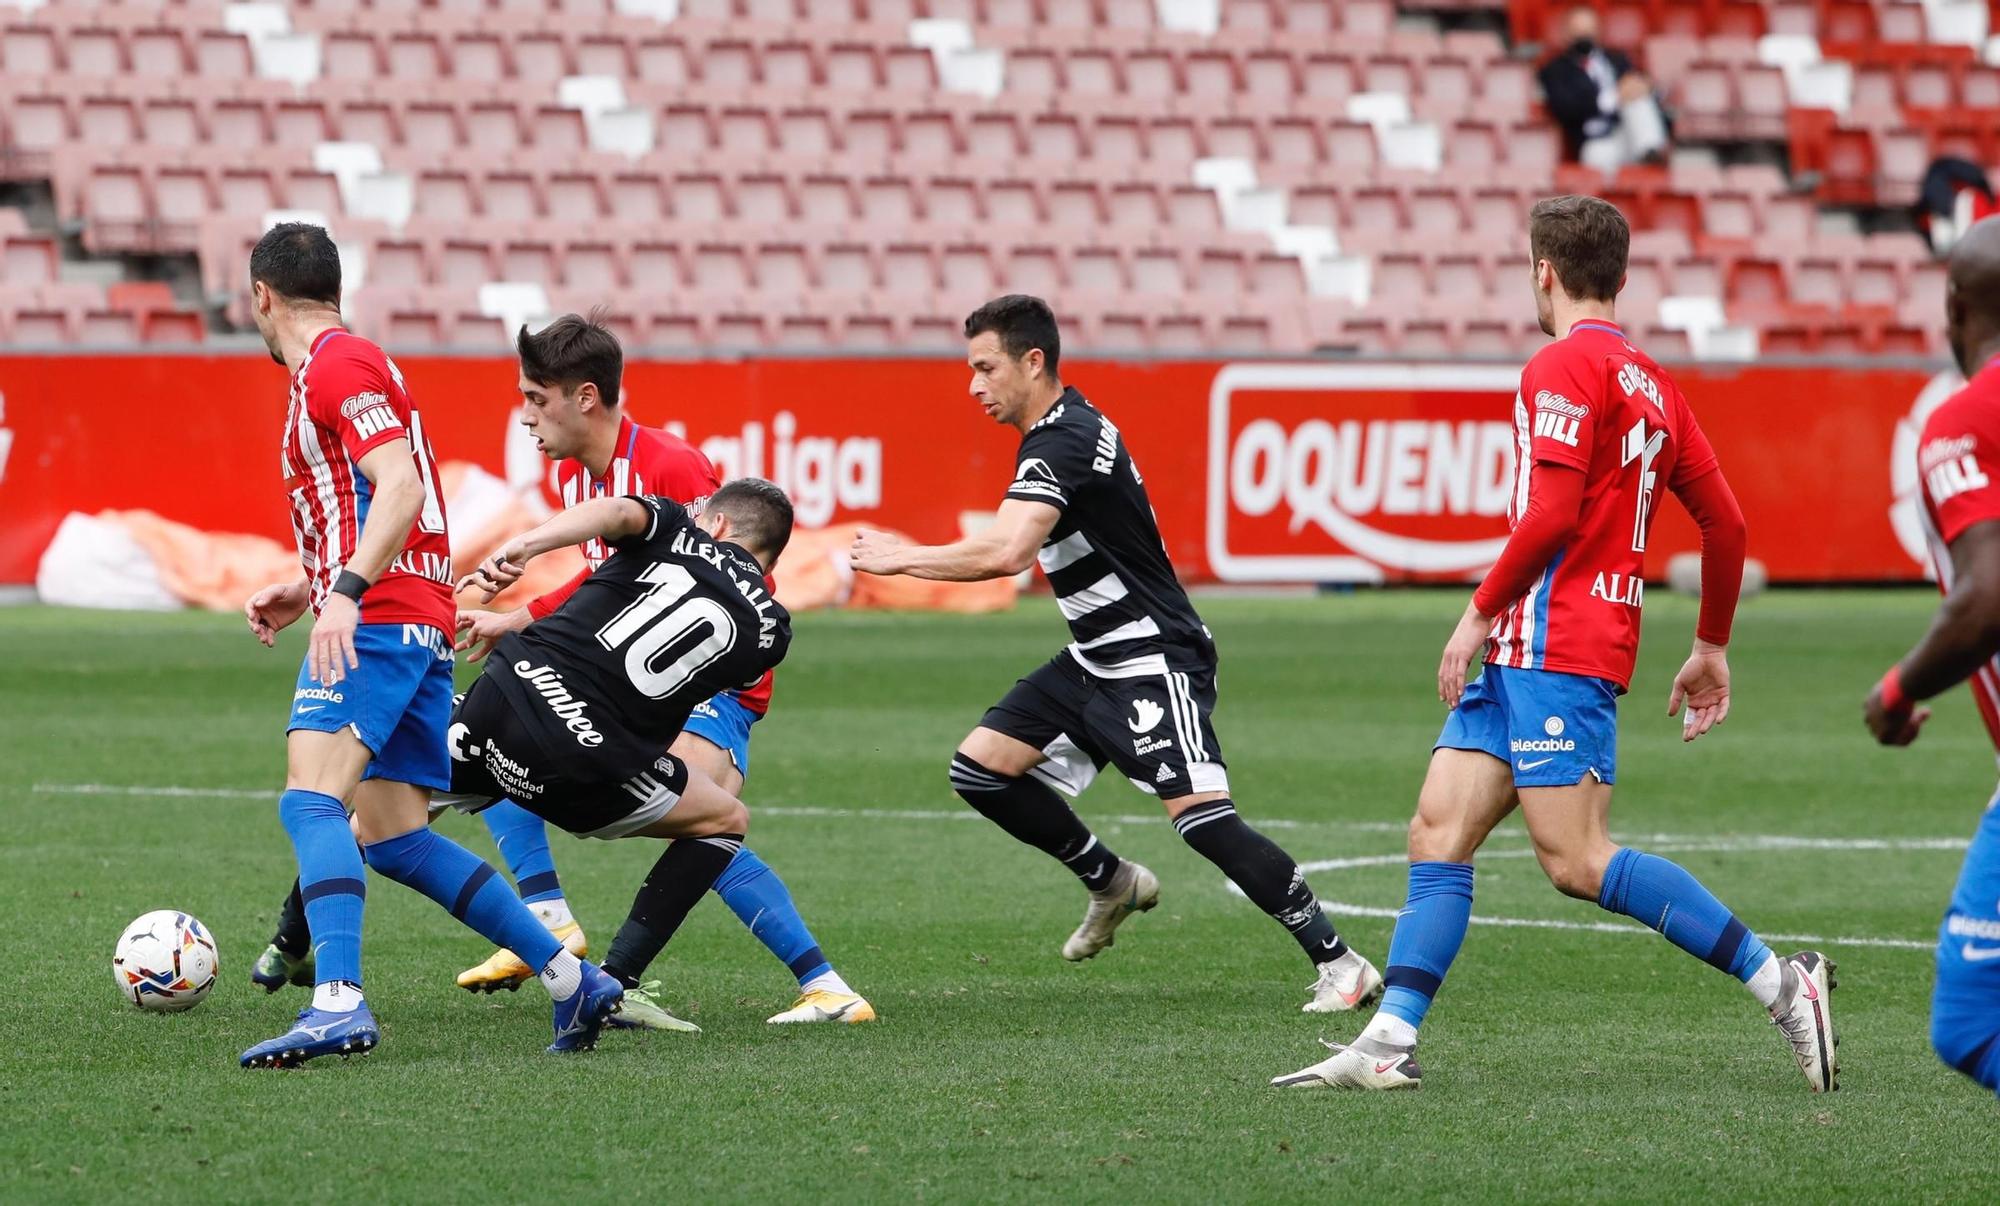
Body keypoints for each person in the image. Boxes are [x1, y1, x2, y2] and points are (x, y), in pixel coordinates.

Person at [1273, 196, 1837, 1093]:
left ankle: (1783, 983)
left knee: (1577, 859)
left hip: (1556, 642)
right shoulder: (1654, 383)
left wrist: (1477, 611)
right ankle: (1388, 1041)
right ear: (1618, 273)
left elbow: (1552, 514)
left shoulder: (1559, 369)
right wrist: (1711, 646)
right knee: (1436, 832)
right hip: (1538, 649)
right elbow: (1726, 526)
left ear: (1545, 270)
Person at [254, 312, 872, 1028]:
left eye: (535, 399)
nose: (524, 418)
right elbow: (606, 590)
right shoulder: (586, 481)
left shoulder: (669, 469)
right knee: (409, 796)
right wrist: (517, 616)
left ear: (584, 398)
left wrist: (522, 614)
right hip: (603, 691)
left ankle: (811, 982)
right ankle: (521, 934)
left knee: (699, 822)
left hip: (704, 692)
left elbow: (689, 578)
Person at [849, 295, 1382, 1014]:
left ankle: (1340, 963)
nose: (973, 385)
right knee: (981, 769)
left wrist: (901, 559)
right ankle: (1110, 880)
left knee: (1202, 819)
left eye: (985, 368)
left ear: (1032, 362)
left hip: (1154, 657)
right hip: (1097, 655)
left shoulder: (1063, 439)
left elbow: (1008, 553)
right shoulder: (1061, 428)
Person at [239, 222, 623, 1067]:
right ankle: (570, 978)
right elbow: (376, 499)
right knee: (395, 837)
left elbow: (402, 486)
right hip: (408, 617)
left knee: (311, 801)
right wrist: (310, 588)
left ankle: (337, 1000)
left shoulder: (336, 365)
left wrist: (343, 595)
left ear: (262, 295)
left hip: (378, 620)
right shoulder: (344, 368)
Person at [444, 483, 796, 1017]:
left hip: (502, 696)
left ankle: (312, 960)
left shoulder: (674, 526)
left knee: (382, 825)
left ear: (719, 525)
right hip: (585, 764)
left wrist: (525, 546)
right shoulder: (772, 630)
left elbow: (611, 512)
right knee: (725, 819)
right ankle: (613, 978)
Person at [1865, 215, 2000, 1097]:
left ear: (1953, 305)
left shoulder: (1963, 419)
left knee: (1970, 1019)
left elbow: (1988, 592)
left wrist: (1897, 688)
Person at [1538, 5, 1669, 171]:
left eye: (1588, 30)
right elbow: (1564, 107)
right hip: (1596, 142)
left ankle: (1651, 153)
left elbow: (1637, 86)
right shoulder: (1555, 70)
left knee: (1638, 97)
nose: (1584, 36)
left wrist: (1643, 87)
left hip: (1628, 133)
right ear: (1566, 33)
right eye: (1578, 30)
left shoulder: (1617, 60)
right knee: (1597, 157)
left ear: (1598, 32)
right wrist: (1613, 97)